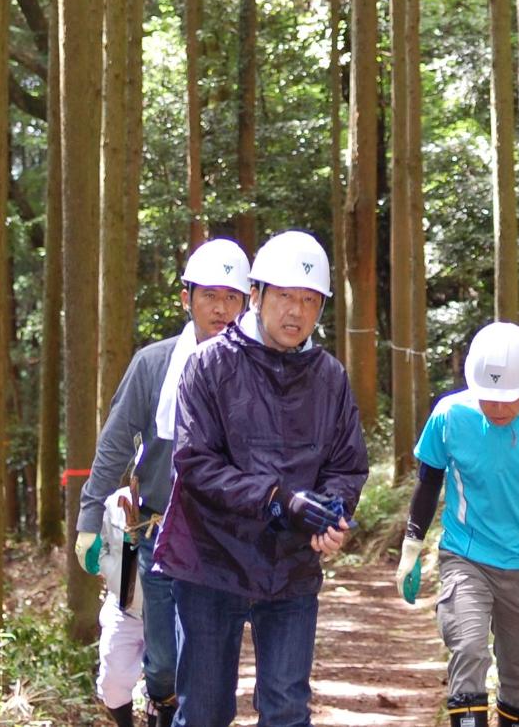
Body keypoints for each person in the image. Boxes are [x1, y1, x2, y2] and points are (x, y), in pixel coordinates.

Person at [154, 229, 369, 727]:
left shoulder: (329, 376)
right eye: (286, 297)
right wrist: (279, 500)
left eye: (310, 300)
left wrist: (332, 514)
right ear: (257, 295)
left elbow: (347, 463)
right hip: (210, 561)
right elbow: (196, 463)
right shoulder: (208, 365)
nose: (296, 312)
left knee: (287, 708)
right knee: (205, 711)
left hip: (290, 566)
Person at [76, 238, 253, 727]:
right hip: (158, 533)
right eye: (210, 296)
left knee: (209, 661)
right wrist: (90, 518)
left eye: (232, 298)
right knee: (164, 663)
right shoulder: (154, 364)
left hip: (227, 539)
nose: (221, 308)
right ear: (186, 298)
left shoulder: (260, 369)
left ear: (248, 303)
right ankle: (159, 706)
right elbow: (115, 443)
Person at [396, 321, 519, 727]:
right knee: (468, 648)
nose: (499, 408)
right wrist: (411, 549)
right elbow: (428, 480)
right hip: (466, 555)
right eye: (489, 398)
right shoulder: (450, 416)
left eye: (509, 398)